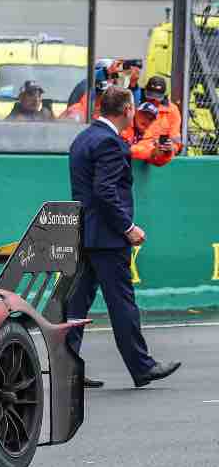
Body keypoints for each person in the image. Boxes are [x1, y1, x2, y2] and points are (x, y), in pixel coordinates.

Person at [66, 86, 181, 389]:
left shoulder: (83, 138)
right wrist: (127, 228)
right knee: (121, 303)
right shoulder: (110, 142)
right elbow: (106, 192)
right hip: (108, 238)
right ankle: (142, 367)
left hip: (84, 234)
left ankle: (67, 369)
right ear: (128, 110)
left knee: (76, 305)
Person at [123, 102, 176, 167]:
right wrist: (151, 152)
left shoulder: (150, 136)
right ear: (136, 113)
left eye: (151, 119)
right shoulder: (124, 125)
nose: (146, 120)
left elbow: (157, 162)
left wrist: (166, 153)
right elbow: (123, 149)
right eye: (144, 114)